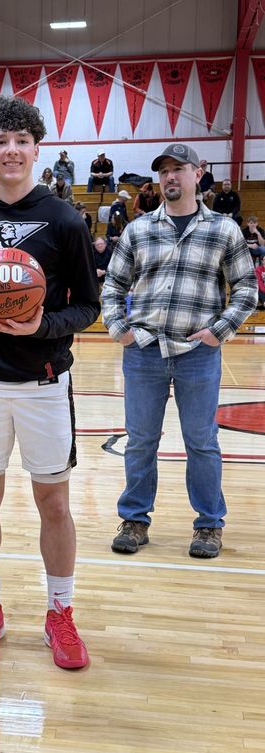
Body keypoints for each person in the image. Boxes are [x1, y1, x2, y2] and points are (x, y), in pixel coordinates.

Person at [0, 95, 100, 670]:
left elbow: (89, 306)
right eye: (0, 141)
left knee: (54, 502)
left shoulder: (64, 218)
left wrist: (45, 324)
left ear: (37, 149)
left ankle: (60, 613)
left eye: (21, 140)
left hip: (43, 383)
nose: (11, 150)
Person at [101, 143, 257, 560]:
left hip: (197, 352)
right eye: (164, 170)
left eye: (178, 168)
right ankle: (135, 519)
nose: (170, 176)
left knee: (202, 441)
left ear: (198, 173)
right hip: (144, 350)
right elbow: (113, 285)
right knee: (140, 441)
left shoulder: (223, 228)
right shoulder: (139, 229)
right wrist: (120, 329)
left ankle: (209, 525)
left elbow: (246, 288)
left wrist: (218, 330)